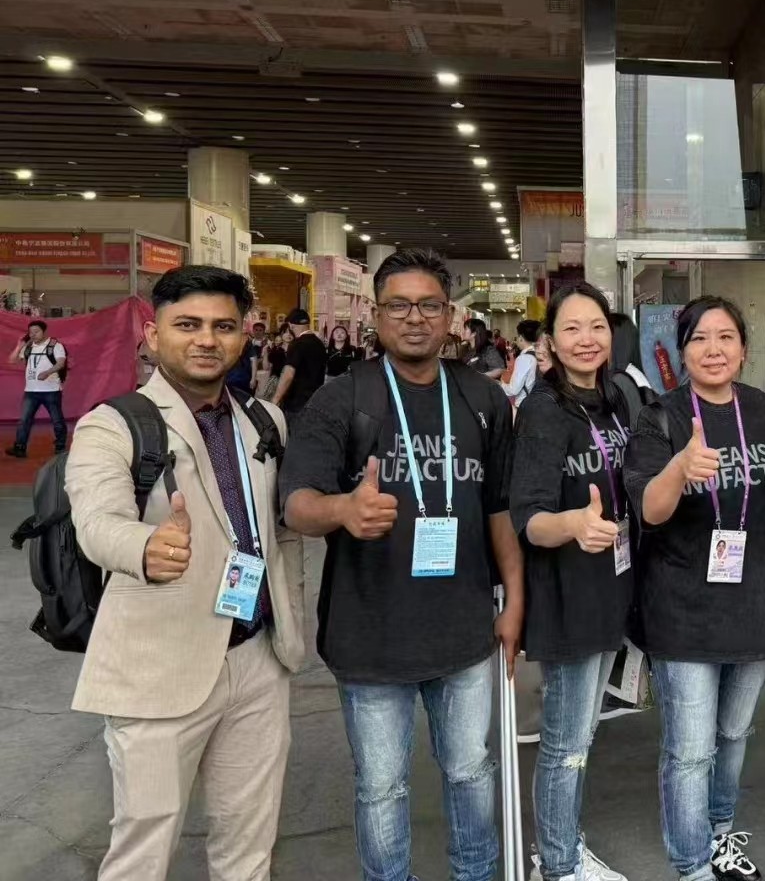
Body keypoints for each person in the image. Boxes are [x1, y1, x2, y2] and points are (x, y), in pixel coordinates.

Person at [280, 247, 522, 881]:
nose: (415, 319)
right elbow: (295, 503)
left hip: (464, 629)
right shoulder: (342, 400)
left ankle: (476, 873)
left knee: (471, 771)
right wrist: (342, 511)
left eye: (429, 306)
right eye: (399, 306)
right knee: (382, 787)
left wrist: (514, 600)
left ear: (449, 316)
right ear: (376, 318)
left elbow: (499, 507)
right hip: (371, 633)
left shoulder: (482, 399)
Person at [65, 265, 304, 881]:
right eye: (187, 325)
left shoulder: (263, 422)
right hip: (158, 664)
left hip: (256, 656)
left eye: (223, 326)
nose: (206, 339)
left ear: (245, 334)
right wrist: (144, 547)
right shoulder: (113, 425)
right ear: (151, 334)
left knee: (250, 844)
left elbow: (278, 530)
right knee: (144, 850)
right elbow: (96, 521)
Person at [623, 296, 765, 881]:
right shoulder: (660, 417)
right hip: (683, 610)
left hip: (756, 608)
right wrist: (679, 468)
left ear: (744, 348)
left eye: (725, 338)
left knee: (734, 733)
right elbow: (649, 507)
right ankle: (691, 864)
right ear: (681, 351)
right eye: (699, 339)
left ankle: (719, 835)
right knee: (690, 749)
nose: (713, 350)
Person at [511, 282, 635, 881]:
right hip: (567, 596)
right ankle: (557, 863)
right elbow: (527, 516)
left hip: (607, 588)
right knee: (566, 743)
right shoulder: (544, 412)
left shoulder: (613, 400)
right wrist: (574, 525)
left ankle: (563, 848)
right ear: (551, 343)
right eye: (571, 329)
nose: (587, 339)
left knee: (580, 735)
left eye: (597, 327)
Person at [8, 319, 68, 458]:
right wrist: (19, 346)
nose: (33, 334)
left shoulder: (55, 345)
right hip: (31, 391)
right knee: (24, 420)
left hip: (51, 391)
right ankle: (20, 448)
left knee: (57, 420)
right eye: (30, 332)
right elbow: (12, 360)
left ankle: (60, 447)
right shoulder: (28, 347)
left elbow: (60, 363)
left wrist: (47, 372)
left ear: (44, 332)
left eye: (36, 331)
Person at [272, 308, 326, 415]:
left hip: (296, 403)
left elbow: (288, 374)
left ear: (291, 325)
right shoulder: (320, 344)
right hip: (315, 401)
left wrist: (275, 400)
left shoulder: (297, 344)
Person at [503, 319, 542, 404]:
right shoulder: (541, 354)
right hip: (538, 401)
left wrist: (500, 385)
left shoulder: (524, 358)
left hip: (525, 405)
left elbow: (513, 390)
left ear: (521, 338)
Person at [223, 320, 261, 398]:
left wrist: (253, 378)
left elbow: (254, 360)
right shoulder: (229, 342)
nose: (244, 335)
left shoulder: (247, 344)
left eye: (245, 333)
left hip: (242, 377)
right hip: (231, 377)